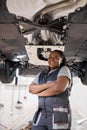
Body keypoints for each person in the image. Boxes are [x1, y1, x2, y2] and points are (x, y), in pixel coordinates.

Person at [29, 49, 72, 130]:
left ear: (61, 60)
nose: (52, 59)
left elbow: (59, 88)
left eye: (56, 57)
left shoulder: (64, 70)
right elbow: (31, 89)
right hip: (41, 113)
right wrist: (50, 84)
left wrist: (39, 92)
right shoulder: (42, 74)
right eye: (50, 57)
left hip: (58, 115)